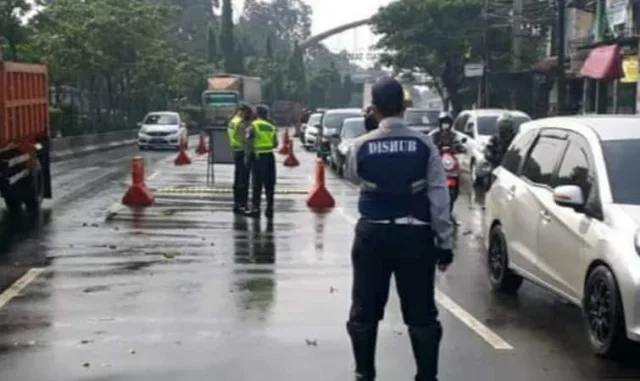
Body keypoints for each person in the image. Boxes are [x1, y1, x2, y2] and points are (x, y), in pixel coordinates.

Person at [343, 77, 454, 381]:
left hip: (372, 236)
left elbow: (352, 176)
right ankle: (426, 376)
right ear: (404, 108)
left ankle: (364, 374)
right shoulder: (423, 145)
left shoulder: (360, 145)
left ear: (374, 109)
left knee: (364, 311)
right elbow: (439, 196)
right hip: (415, 237)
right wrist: (444, 243)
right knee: (421, 314)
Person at [244, 105, 278, 219]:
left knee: (256, 183)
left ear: (257, 114)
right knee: (269, 183)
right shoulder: (271, 126)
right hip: (270, 156)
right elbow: (275, 143)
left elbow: (249, 142)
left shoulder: (253, 125)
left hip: (257, 156)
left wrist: (247, 158)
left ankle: (256, 208)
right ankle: (270, 208)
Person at [227, 103, 253, 214]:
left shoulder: (233, 121)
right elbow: (245, 138)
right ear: (243, 111)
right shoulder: (240, 123)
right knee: (244, 179)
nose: (248, 115)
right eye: (247, 113)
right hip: (243, 152)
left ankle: (236, 204)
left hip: (236, 150)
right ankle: (243, 204)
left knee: (237, 178)